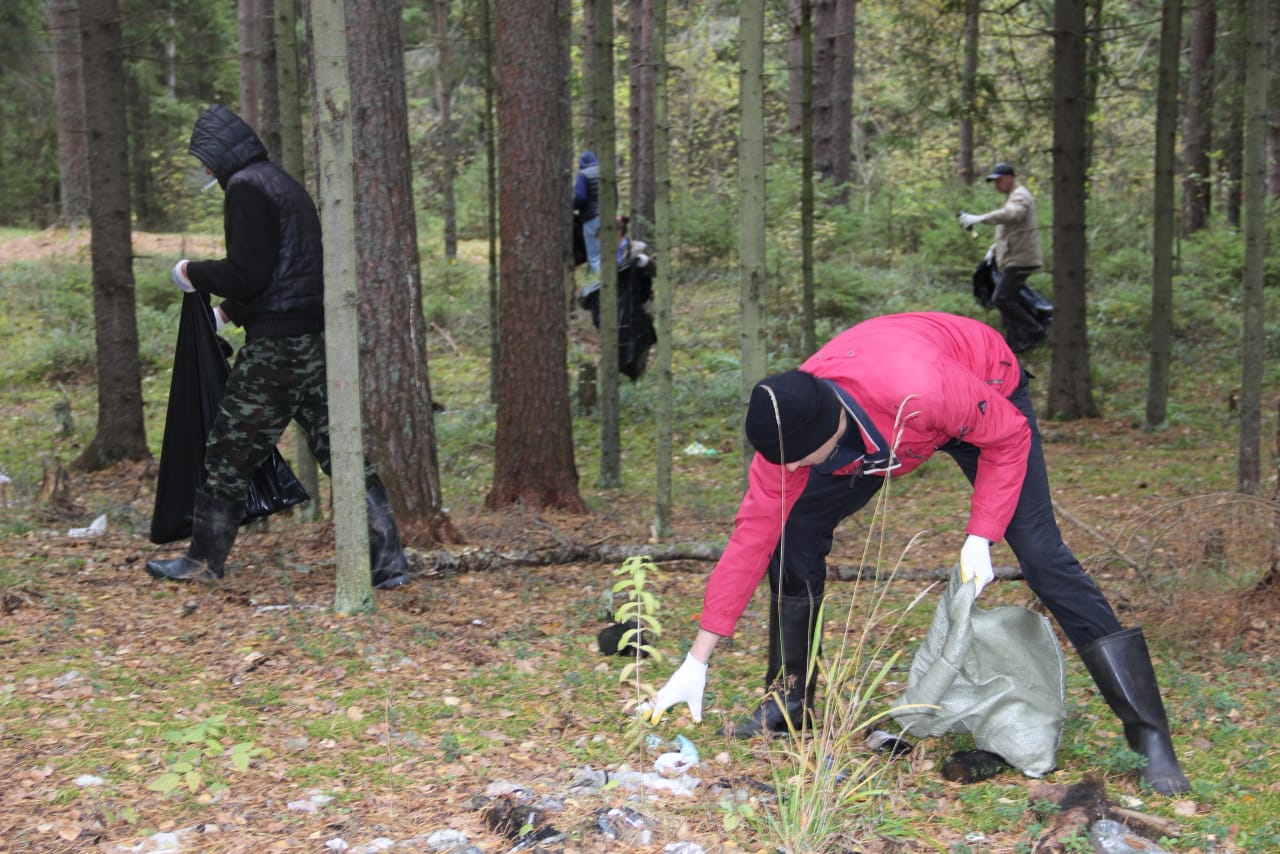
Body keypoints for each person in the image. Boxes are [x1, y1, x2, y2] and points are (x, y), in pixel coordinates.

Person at [641, 312, 1191, 796]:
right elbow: (748, 541)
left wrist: (982, 534)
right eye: (781, 464)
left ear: (829, 426)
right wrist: (697, 659)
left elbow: (1009, 437)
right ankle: (792, 701)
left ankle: (1148, 732)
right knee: (792, 532)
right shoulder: (788, 442)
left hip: (979, 389)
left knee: (1042, 556)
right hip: (885, 426)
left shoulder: (921, 387)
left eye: (797, 461)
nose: (787, 473)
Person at [145, 104, 410, 590]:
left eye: (205, 162)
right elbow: (290, 268)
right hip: (313, 342)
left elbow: (249, 272)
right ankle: (388, 563)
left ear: (219, 155)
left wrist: (191, 273)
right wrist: (231, 313)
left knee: (227, 452)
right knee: (344, 452)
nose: (205, 172)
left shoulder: (247, 189)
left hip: (276, 353)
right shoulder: (284, 185)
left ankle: (203, 561)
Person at [959, 163, 1047, 353]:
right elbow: (1010, 231)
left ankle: (1035, 330)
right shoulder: (1012, 197)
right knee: (1008, 298)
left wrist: (981, 218)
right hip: (1012, 257)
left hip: (1021, 259)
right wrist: (993, 251)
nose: (997, 185)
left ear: (1010, 178)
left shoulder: (1020, 195)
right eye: (994, 182)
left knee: (1002, 298)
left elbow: (1013, 215)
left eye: (999, 180)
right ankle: (1013, 344)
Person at [573, 151, 601, 274]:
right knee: (605, 252)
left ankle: (598, 285)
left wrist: (571, 207)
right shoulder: (604, 172)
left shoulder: (583, 175)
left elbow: (580, 197)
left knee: (594, 256)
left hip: (591, 218)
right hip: (608, 217)